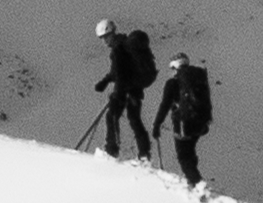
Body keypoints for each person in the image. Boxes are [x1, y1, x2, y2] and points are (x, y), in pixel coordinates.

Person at [86, 19, 158, 160]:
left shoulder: (118, 49)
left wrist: (117, 95)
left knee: (111, 116)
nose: (104, 41)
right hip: (135, 88)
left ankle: (112, 149)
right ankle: (144, 153)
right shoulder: (124, 45)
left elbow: (119, 74)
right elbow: (118, 71)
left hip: (125, 89)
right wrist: (105, 81)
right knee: (134, 119)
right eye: (102, 38)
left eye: (105, 37)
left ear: (112, 33)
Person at [158, 58, 213, 189]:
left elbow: (165, 105)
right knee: (190, 151)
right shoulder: (198, 78)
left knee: (183, 155)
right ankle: (192, 180)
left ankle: (197, 183)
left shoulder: (172, 83)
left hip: (183, 124)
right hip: (200, 122)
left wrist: (157, 124)